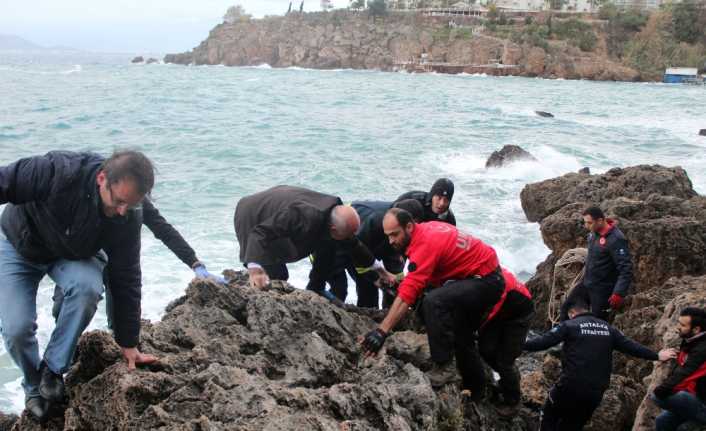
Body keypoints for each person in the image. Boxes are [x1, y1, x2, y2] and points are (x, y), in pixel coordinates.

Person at [0, 150, 159, 421]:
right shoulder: (59, 172)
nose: (122, 211)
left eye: (129, 205)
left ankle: (53, 369)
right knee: (16, 328)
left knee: (87, 288)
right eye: (118, 201)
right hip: (19, 246)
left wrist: (128, 341)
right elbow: (5, 181)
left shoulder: (128, 215)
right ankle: (33, 385)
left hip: (71, 254)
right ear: (101, 178)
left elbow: (126, 276)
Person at [359, 208, 504, 400]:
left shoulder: (426, 243)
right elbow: (423, 276)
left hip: (486, 281)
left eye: (395, 234)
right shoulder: (426, 229)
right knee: (462, 336)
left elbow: (408, 293)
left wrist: (381, 331)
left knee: (433, 301)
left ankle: (444, 367)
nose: (391, 241)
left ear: (409, 227)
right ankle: (476, 390)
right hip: (480, 277)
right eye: (387, 236)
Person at [52, 198, 225, 326]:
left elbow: (163, 230)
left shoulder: (137, 200)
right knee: (62, 309)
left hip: (119, 261)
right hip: (84, 257)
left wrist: (194, 262)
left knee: (122, 319)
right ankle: (62, 360)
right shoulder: (88, 194)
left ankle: (121, 354)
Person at [525, 299, 675, 431]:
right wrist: (657, 355)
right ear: (588, 310)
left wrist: (516, 345)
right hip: (596, 391)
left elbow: (542, 343)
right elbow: (632, 347)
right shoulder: (607, 328)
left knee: (549, 415)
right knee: (573, 425)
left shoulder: (569, 325)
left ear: (571, 313)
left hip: (570, 387)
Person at [233, 185, 393, 294]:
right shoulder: (302, 216)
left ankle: (315, 289)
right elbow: (259, 233)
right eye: (348, 234)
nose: (351, 237)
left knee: (327, 250)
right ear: (333, 229)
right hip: (252, 215)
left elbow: (354, 245)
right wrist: (254, 268)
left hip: (278, 213)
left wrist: (380, 271)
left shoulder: (335, 214)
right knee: (277, 276)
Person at [325, 199, 423, 308]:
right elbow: (359, 256)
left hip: (364, 247)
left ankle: (381, 315)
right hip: (335, 247)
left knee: (391, 284)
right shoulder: (376, 222)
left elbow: (395, 270)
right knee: (341, 289)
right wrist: (375, 277)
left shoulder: (403, 233)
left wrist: (396, 284)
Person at [560, 206, 633, 321]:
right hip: (587, 283)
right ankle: (564, 337)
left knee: (597, 322)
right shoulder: (593, 233)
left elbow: (626, 269)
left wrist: (618, 293)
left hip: (603, 290)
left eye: (589, 223)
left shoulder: (616, 239)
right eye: (585, 222)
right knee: (566, 308)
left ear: (600, 221)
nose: (586, 226)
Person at [478, 267, 533, 415]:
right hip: (501, 312)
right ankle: (508, 380)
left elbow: (488, 316)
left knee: (505, 360)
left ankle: (513, 401)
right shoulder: (482, 272)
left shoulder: (499, 284)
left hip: (519, 315)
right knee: (485, 349)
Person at [652, 307, 706, 431]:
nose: (678, 327)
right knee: (662, 421)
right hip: (695, 395)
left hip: (702, 400)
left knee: (656, 397)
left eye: (682, 325)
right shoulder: (691, 340)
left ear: (696, 329)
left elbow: (686, 373)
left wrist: (662, 389)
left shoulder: (702, 348)